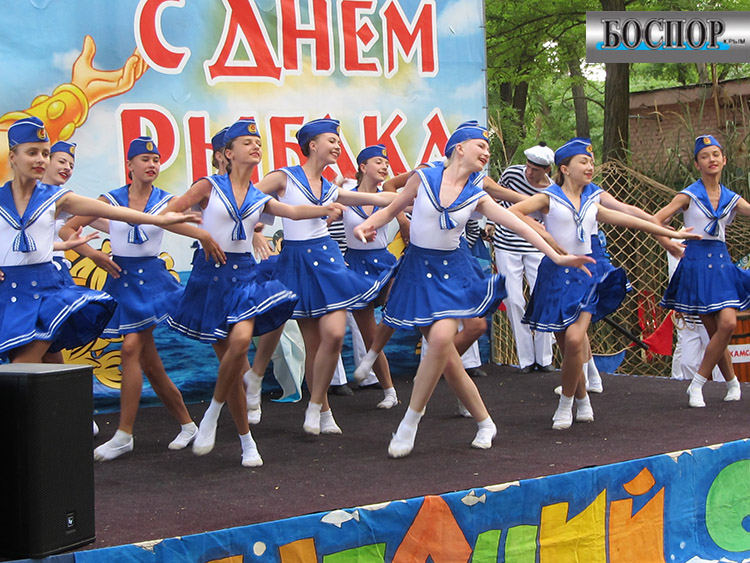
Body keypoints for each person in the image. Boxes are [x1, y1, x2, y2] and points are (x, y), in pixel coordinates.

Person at [353, 122, 594, 457]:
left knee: (441, 342)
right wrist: (368, 224)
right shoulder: (423, 178)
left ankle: (409, 423)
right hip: (418, 271)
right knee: (448, 358)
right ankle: (485, 421)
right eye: (481, 146)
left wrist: (556, 255)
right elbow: (392, 209)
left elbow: (519, 224)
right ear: (460, 148)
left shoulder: (477, 195)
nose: (486, 153)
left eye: (488, 149)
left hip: (452, 272)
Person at [165, 119, 340, 466]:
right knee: (231, 366)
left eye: (258, 142)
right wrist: (200, 235)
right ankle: (246, 441)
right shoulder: (208, 186)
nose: (255, 146)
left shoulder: (259, 196)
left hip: (244, 276)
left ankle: (212, 414)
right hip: (210, 278)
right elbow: (170, 213)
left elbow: (292, 211)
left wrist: (325, 208)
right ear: (228, 153)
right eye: (247, 142)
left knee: (242, 342)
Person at [511, 137, 700, 429]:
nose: (590, 166)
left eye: (591, 161)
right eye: (583, 162)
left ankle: (565, 404)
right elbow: (513, 213)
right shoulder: (549, 197)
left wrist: (671, 234)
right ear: (565, 168)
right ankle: (582, 398)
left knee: (576, 339)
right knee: (567, 346)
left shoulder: (592, 200)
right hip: (555, 276)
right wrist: (544, 235)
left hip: (588, 274)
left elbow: (630, 218)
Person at [0, 117, 198, 364]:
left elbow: (114, 212)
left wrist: (158, 220)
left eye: (45, 154)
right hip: (9, 292)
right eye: (32, 153)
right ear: (13, 156)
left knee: (23, 365)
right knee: (48, 364)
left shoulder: (56, 197)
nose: (41, 160)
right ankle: (67, 393)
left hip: (46, 290)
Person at [64, 136, 204, 461]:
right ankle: (187, 425)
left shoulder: (168, 201)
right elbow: (68, 229)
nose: (152, 164)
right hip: (121, 280)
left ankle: (124, 434)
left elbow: (193, 226)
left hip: (153, 283)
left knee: (129, 349)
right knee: (150, 364)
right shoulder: (110, 200)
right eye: (145, 159)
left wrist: (211, 239)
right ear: (130, 165)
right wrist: (94, 255)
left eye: (156, 159)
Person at [254, 118, 396, 435]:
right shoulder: (284, 177)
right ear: (312, 145)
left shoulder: (332, 188)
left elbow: (377, 199)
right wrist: (256, 230)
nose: (337, 146)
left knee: (334, 335)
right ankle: (322, 411)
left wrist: (415, 194)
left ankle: (316, 405)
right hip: (297, 262)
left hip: (327, 260)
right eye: (331, 140)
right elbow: (247, 199)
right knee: (313, 344)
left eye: (338, 141)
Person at [656, 134, 750, 407]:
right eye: (705, 156)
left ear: (724, 160)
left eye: (716, 155)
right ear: (697, 164)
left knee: (727, 324)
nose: (711, 160)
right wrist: (668, 243)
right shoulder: (689, 195)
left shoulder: (731, 198)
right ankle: (732, 383)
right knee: (714, 330)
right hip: (696, 263)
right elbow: (656, 220)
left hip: (721, 264)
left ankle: (697, 383)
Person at [490, 144, 556, 373]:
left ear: (546, 170)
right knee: (514, 299)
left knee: (543, 296)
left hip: (536, 245)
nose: (529, 172)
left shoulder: (551, 190)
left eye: (535, 170)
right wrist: (490, 223)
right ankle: (526, 358)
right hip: (506, 242)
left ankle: (545, 357)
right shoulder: (512, 174)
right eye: (528, 167)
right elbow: (497, 198)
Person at [342, 144, 399, 408]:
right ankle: (389, 392)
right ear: (363, 167)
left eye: (386, 163)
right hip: (355, 265)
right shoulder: (345, 196)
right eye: (378, 162)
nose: (384, 166)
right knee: (369, 334)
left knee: (400, 309)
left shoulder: (388, 196)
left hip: (384, 262)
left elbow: (409, 210)